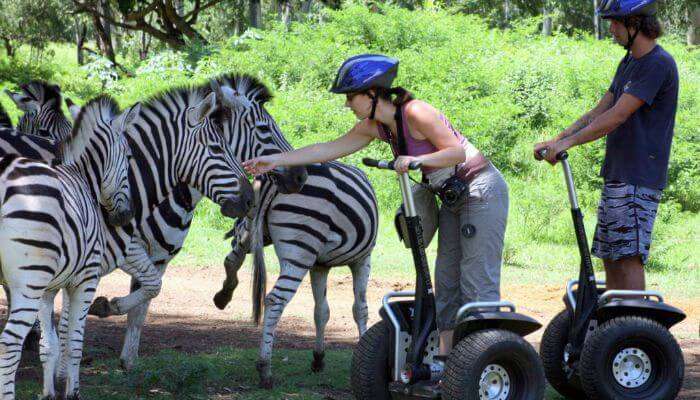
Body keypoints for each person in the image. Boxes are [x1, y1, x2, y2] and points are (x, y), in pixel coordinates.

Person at [243, 54, 509, 355]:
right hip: (452, 196)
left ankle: (484, 358)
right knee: (445, 281)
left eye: (349, 97)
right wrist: (274, 160)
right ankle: (449, 362)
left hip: (481, 189)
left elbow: (455, 153)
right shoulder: (376, 126)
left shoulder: (416, 112)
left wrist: (416, 160)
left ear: (372, 93)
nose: (347, 104)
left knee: (476, 278)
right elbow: (327, 149)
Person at [534, 0, 678, 291]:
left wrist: (570, 143)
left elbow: (617, 116)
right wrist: (558, 139)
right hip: (618, 174)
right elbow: (599, 110)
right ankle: (615, 330)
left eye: (615, 23)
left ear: (634, 24)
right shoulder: (629, 62)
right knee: (611, 256)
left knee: (628, 257)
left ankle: (633, 328)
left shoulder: (658, 64)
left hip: (639, 178)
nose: (611, 29)